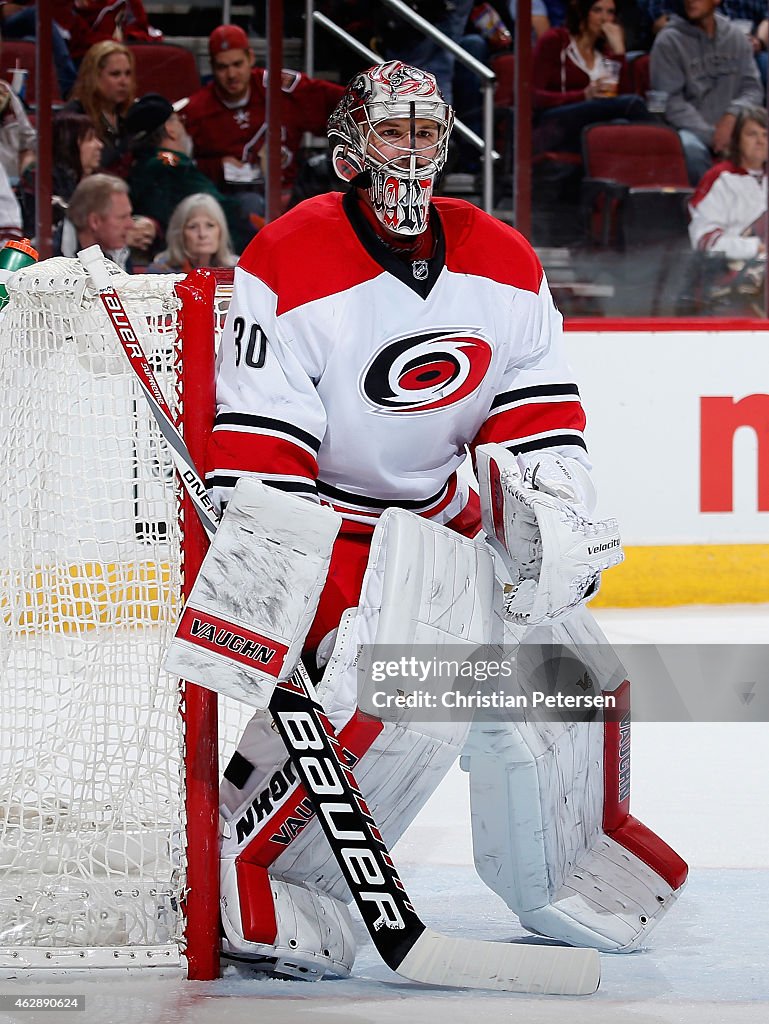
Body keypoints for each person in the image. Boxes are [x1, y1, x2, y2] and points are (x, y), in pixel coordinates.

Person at [206, 60, 661, 980]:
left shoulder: (502, 255)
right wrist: (306, 597)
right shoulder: (285, 257)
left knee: (572, 676)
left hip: (441, 522)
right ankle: (278, 879)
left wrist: (557, 517)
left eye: (425, 133)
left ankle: (570, 866)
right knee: (409, 696)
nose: (411, 154)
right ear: (348, 149)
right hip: (337, 527)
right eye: (390, 133)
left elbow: (536, 421)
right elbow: (262, 463)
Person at [181, 25, 344, 219]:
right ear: (212, 66)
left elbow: (344, 102)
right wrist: (217, 166)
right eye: (222, 67)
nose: (231, 75)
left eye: (237, 64)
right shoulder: (197, 110)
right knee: (249, 204)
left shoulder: (278, 88)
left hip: (292, 192)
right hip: (235, 203)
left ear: (250, 58)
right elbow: (182, 167)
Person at [650, 0, 763, 185]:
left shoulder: (735, 37)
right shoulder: (668, 41)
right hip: (690, 131)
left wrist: (732, 115)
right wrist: (711, 135)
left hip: (736, 126)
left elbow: (752, 88)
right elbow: (670, 102)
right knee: (690, 148)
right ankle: (705, 207)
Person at [125, 93, 254, 253]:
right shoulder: (172, 166)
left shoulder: (142, 164)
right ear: (170, 129)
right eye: (181, 121)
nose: (185, 128)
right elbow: (223, 209)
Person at [532, 0, 650, 153]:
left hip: (592, 124)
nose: (604, 19)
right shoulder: (555, 40)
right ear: (582, 12)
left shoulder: (605, 54)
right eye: (597, 10)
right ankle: (668, 150)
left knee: (620, 124)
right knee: (634, 103)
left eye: (610, 12)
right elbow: (531, 96)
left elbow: (622, 97)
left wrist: (619, 52)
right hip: (555, 121)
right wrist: (583, 95)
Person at [688, 105, 767, 258]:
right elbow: (704, 240)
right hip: (735, 271)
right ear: (737, 140)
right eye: (752, 134)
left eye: (766, 135)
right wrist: (756, 247)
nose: (760, 141)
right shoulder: (720, 178)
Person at [18, 110, 103, 235]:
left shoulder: (100, 181)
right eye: (90, 139)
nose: (100, 145)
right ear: (69, 144)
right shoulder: (41, 178)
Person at [65, 39, 136, 175]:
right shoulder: (75, 116)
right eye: (115, 74)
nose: (124, 82)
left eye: (128, 74)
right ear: (94, 77)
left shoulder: (131, 114)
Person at [54, 172, 134, 271]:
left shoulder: (120, 253)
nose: (131, 224)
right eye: (122, 217)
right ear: (95, 222)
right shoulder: (51, 259)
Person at [146, 192, 237, 273]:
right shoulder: (160, 271)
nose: (202, 234)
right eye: (193, 227)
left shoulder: (237, 270)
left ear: (221, 231)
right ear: (179, 233)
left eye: (210, 225)